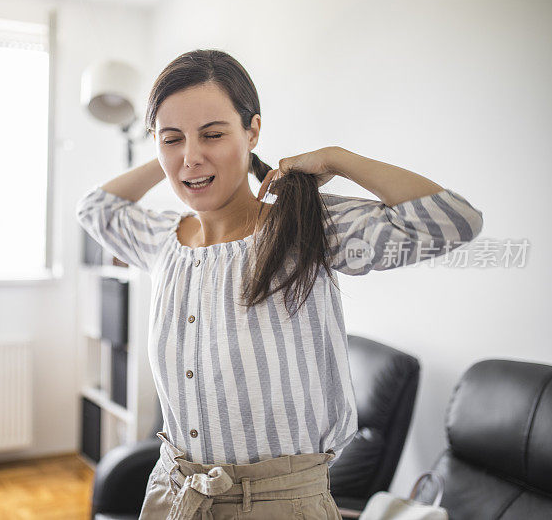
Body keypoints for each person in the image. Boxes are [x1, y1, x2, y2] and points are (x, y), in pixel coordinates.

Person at [76, 49, 483, 520]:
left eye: (213, 134)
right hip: (174, 494)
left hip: (280, 504)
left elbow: (455, 220)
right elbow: (95, 209)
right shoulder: (162, 239)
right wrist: (170, 152)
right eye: (173, 139)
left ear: (252, 130)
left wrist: (338, 158)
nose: (192, 156)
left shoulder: (305, 227)